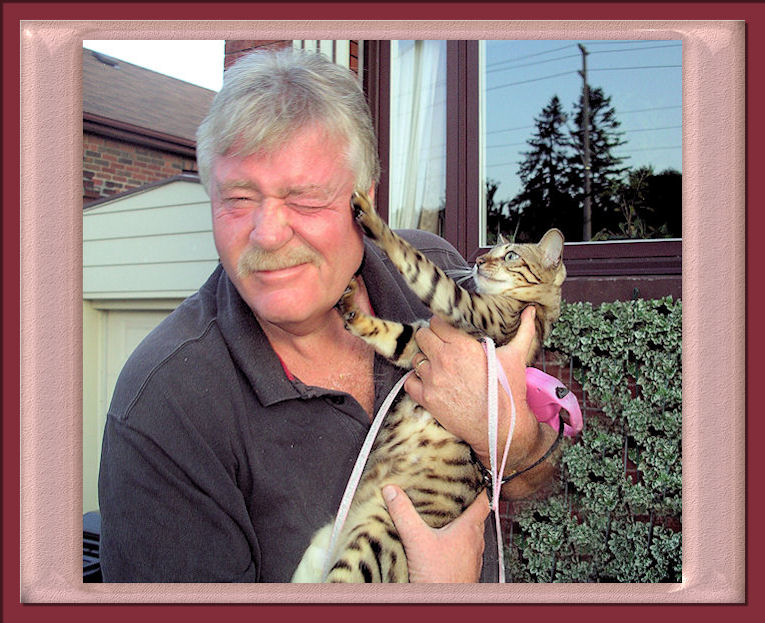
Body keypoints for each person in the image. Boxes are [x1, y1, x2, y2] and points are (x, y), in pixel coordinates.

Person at [98, 47, 560, 583]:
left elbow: (534, 477)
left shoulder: (435, 271)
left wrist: (507, 433)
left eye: (307, 199)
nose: (267, 234)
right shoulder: (163, 406)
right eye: (239, 197)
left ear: (363, 199)